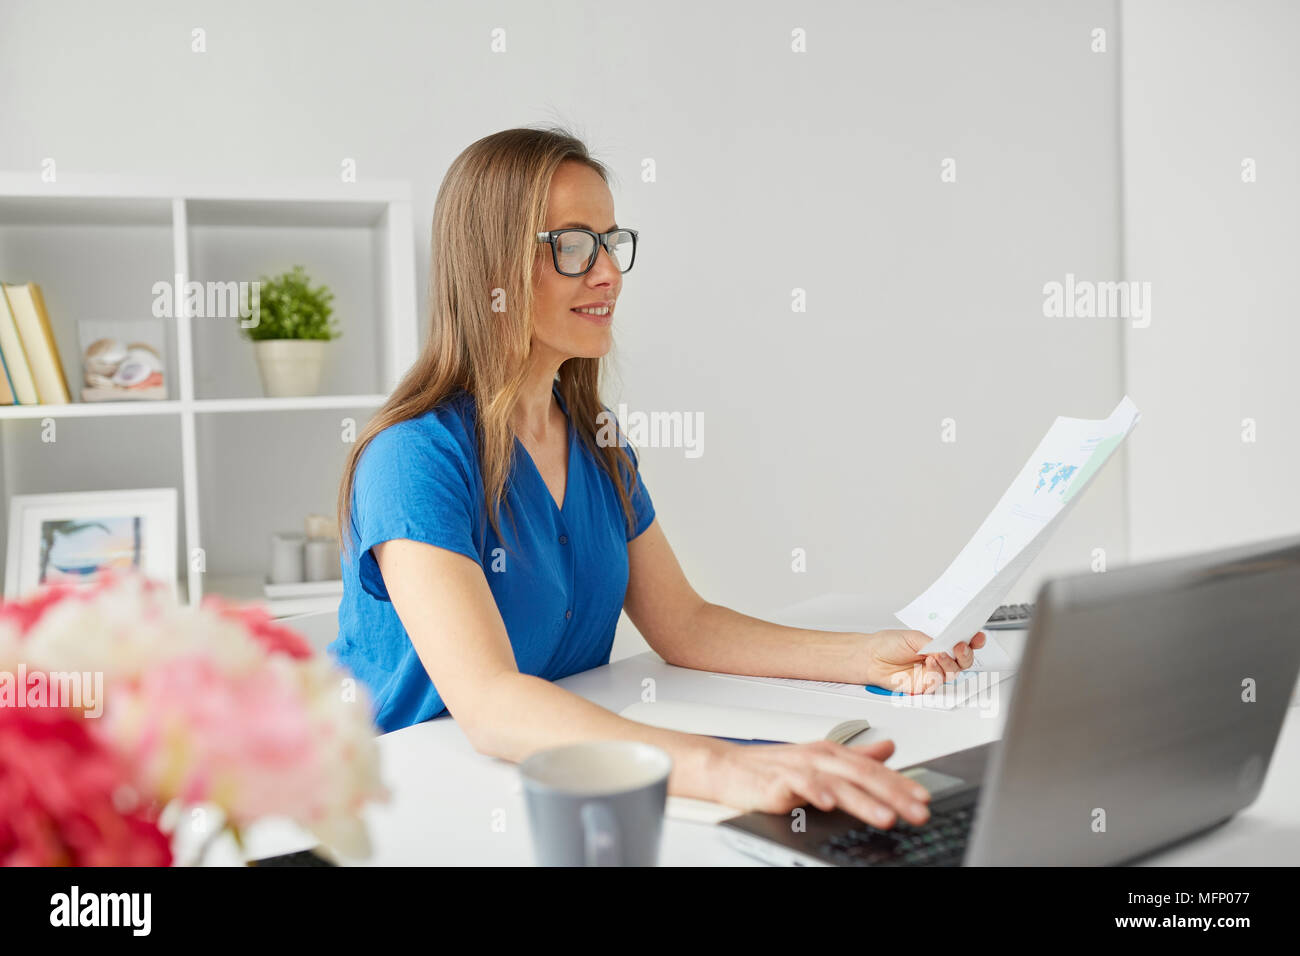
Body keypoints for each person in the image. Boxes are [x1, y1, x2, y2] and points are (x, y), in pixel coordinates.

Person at [330, 126, 986, 830]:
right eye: (574, 245)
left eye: (612, 242)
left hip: (550, 784)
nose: (608, 272)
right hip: (413, 809)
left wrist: (866, 657)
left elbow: (686, 624)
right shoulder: (413, 458)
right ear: (491, 269)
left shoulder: (595, 440)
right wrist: (722, 767)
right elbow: (489, 704)